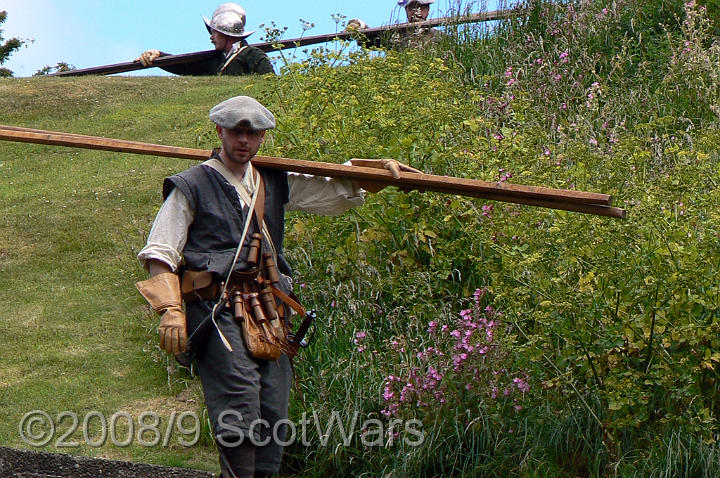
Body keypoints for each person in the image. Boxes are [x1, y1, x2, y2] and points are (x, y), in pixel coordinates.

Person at [135, 95, 420, 478]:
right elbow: (160, 251)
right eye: (237, 131)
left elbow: (332, 188)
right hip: (219, 312)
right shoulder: (192, 185)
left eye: (253, 134)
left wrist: (375, 174)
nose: (244, 141)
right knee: (240, 410)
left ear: (262, 138)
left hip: (271, 312)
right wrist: (170, 310)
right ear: (220, 130)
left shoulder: (272, 179)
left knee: (272, 415)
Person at [135, 3, 274, 76]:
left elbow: (269, 83)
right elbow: (185, 66)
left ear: (226, 33)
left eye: (215, 33)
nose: (211, 37)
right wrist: (159, 56)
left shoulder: (254, 55)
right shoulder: (214, 59)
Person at [346, 0, 444, 52]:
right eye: (412, 8)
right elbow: (371, 40)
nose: (416, 12)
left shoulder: (440, 38)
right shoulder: (396, 36)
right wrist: (359, 27)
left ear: (428, 10)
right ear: (406, 10)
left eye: (421, 7)